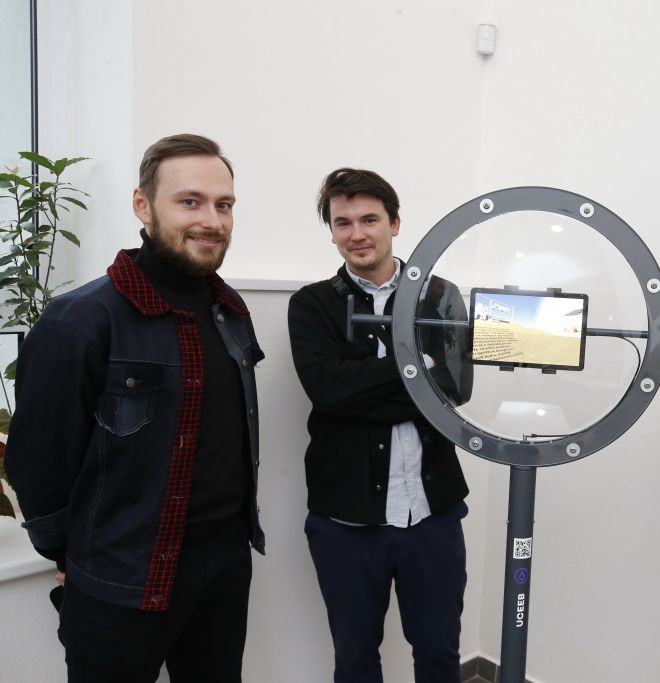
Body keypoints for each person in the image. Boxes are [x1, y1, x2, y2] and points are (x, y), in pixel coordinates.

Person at [6, 134, 265, 683]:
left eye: (224, 205)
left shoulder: (230, 312)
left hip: (223, 567)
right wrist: (70, 557)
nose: (212, 220)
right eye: (190, 201)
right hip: (118, 579)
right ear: (143, 206)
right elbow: (39, 461)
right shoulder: (80, 320)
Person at [288, 168, 472, 683]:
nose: (357, 234)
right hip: (345, 523)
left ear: (395, 223)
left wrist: (360, 387)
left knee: (439, 657)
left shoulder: (441, 297)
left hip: (432, 517)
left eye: (369, 219)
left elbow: (456, 389)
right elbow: (328, 392)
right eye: (342, 223)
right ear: (331, 231)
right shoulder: (312, 304)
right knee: (354, 661)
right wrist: (418, 366)